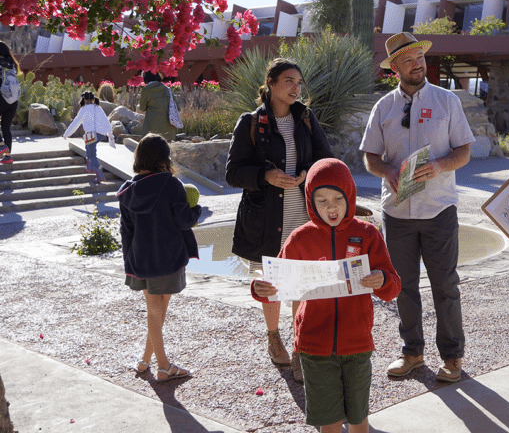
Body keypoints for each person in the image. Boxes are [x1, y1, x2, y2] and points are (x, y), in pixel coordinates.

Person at [252, 158, 401, 433]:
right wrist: (260, 287)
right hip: (314, 346)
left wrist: (382, 280)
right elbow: (275, 283)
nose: (331, 207)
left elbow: (393, 286)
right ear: (310, 201)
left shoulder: (367, 233)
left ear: (350, 196)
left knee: (358, 419)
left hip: (357, 343)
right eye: (321, 200)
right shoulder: (299, 238)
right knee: (329, 423)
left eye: (337, 198)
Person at [360, 32, 475, 381]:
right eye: (408, 60)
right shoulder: (383, 108)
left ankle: (452, 358)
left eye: (420, 58)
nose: (417, 64)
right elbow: (369, 158)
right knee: (402, 286)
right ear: (394, 67)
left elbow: (464, 152)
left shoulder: (447, 101)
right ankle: (412, 353)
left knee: (445, 286)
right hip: (396, 213)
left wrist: (439, 166)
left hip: (439, 209)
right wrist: (388, 170)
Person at [225, 58, 333, 381]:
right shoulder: (249, 123)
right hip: (264, 220)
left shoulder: (307, 119)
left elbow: (327, 160)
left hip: (302, 217)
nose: (296, 88)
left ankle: (301, 347)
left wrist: (309, 172)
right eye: (289, 81)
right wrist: (266, 176)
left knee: (300, 283)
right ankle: (274, 336)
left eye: (299, 82)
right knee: (271, 286)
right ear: (271, 83)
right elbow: (232, 173)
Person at [117, 133, 202, 382]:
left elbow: (126, 231)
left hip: (140, 260)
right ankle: (163, 366)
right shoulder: (171, 184)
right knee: (158, 311)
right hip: (168, 258)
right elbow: (185, 221)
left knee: (154, 311)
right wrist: (196, 209)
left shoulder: (127, 190)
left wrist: (129, 263)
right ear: (164, 158)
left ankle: (145, 361)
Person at [62, 91, 115, 184]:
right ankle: (90, 168)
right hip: (100, 134)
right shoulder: (98, 108)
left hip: (91, 135)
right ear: (93, 99)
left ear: (84, 100)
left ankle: (100, 175)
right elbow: (106, 121)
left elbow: (76, 123)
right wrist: (110, 133)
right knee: (88, 148)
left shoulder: (83, 109)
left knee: (92, 155)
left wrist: (67, 134)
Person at [138, 71, 176, 141]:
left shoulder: (146, 90)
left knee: (149, 145)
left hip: (151, 125)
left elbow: (142, 108)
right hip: (167, 125)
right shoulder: (167, 89)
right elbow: (177, 107)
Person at [0, 41, 20, 165]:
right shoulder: (12, 64)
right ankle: (8, 157)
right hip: (13, 99)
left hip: (2, 97)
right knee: (6, 127)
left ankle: (2, 145)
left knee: (5, 127)